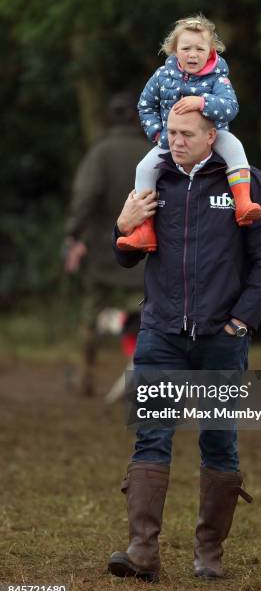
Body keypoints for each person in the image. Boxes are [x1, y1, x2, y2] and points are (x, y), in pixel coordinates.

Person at [108, 107, 261, 582]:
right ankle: (142, 550)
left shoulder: (250, 184)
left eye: (186, 134)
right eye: (170, 132)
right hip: (160, 334)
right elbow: (125, 257)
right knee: (152, 436)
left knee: (219, 443)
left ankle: (209, 553)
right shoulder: (155, 179)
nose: (175, 141)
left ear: (213, 136)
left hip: (222, 341)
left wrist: (240, 323)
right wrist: (122, 226)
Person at [119, 14, 261, 253]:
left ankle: (243, 203)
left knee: (235, 147)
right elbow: (145, 105)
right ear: (175, 50)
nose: (193, 54)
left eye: (200, 48)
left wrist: (202, 102)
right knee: (143, 169)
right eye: (186, 48)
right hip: (170, 140)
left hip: (215, 136)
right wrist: (157, 134)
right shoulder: (162, 76)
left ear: (210, 52)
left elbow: (231, 108)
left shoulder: (218, 77)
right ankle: (143, 230)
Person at [64, 92, 150, 396]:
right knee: (146, 312)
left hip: (103, 249)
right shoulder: (151, 152)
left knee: (92, 312)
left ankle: (85, 375)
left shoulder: (99, 154)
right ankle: (145, 376)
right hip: (144, 250)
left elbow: (85, 197)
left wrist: (74, 234)